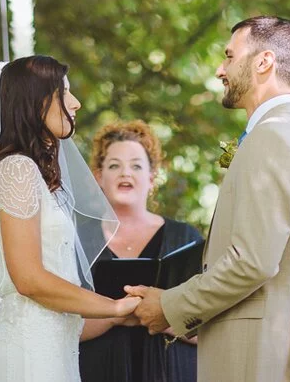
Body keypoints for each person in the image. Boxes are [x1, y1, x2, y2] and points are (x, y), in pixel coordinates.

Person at [127, 16, 290, 382]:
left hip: (257, 358)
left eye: (229, 56)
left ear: (263, 62)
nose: (221, 69)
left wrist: (171, 306)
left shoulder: (271, 139)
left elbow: (252, 262)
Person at [0, 56, 141, 382]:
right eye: (64, 92)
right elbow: (28, 280)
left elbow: (55, 314)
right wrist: (111, 307)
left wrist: (117, 315)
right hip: (29, 361)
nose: (76, 103)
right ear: (35, 102)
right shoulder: (16, 169)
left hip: (53, 355)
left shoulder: (36, 177)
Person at [79, 120, 204, 382]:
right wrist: (115, 314)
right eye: (114, 165)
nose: (126, 173)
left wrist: (164, 315)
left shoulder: (186, 238)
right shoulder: (77, 238)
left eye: (136, 165)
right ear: (98, 176)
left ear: (151, 177)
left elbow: (209, 327)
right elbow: (57, 323)